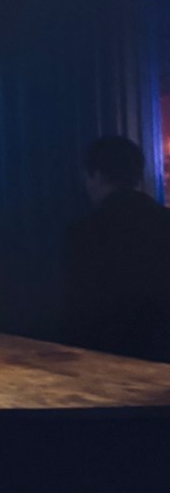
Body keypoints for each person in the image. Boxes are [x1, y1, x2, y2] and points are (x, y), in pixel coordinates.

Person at [62, 135, 170, 361]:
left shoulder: (84, 232)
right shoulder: (164, 221)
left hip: (108, 352)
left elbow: (79, 307)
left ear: (97, 175)